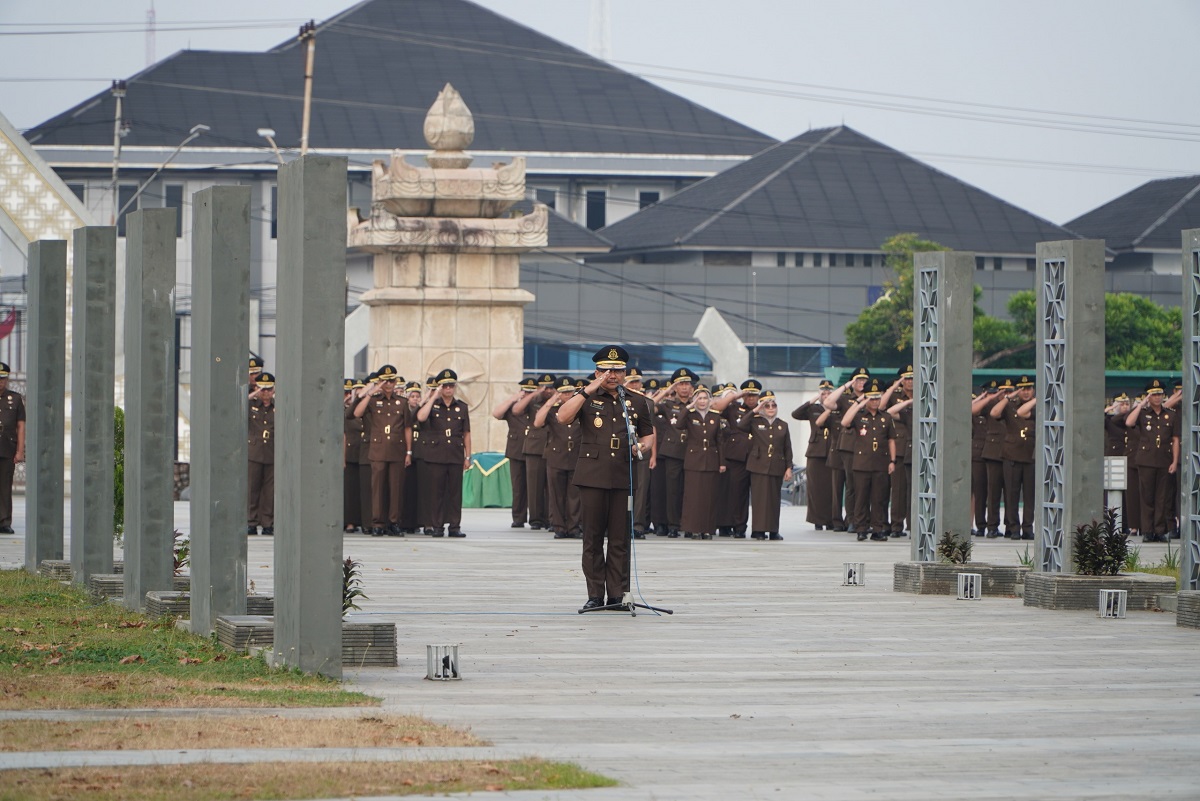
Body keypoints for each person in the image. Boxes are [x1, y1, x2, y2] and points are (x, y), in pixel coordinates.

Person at [557, 346, 654, 611]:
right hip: (592, 476)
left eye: (618, 370)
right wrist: (587, 389)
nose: (612, 375)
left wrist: (641, 447)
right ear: (596, 372)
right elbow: (563, 417)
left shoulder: (635, 400)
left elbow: (648, 434)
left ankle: (617, 595)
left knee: (621, 539)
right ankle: (595, 595)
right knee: (593, 538)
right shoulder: (586, 397)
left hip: (623, 475)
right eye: (607, 370)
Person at [353, 365, 412, 537]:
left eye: (392, 380)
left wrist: (409, 452)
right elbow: (357, 412)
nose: (389, 384)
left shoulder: (402, 402)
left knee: (396, 487)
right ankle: (377, 523)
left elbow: (407, 428)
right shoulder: (372, 400)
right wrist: (372, 391)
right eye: (385, 381)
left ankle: (394, 522)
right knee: (377, 487)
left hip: (397, 449)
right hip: (378, 449)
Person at [417, 368, 472, 537]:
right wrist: (434, 395)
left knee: (455, 494)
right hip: (436, 455)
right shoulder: (433, 405)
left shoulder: (461, 407)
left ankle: (454, 526)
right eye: (445, 386)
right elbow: (420, 417)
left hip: (455, 455)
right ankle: (437, 526)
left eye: (451, 386)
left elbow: (466, 433)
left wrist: (468, 456)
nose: (448, 389)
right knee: (437, 493)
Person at [841, 377, 896, 542]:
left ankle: (878, 529)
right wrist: (859, 403)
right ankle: (861, 528)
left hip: (880, 463)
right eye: (872, 398)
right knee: (861, 498)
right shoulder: (859, 416)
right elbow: (845, 422)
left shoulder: (886, 417)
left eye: (877, 398)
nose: (875, 401)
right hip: (862, 464)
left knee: (879, 498)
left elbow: (891, 440)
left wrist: (892, 461)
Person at [1125, 379, 1180, 542]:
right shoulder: (1142, 414)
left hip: (1164, 459)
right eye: (1154, 394)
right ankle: (1147, 531)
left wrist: (1174, 461)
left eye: (1160, 394)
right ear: (1149, 396)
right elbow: (1129, 422)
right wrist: (1141, 404)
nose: (1157, 397)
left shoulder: (1171, 414)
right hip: (1146, 460)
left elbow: (1175, 439)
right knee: (1147, 497)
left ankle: (1160, 530)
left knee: (1162, 497)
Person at [738, 389, 793, 540]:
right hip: (758, 464)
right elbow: (741, 426)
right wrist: (755, 409)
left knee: (774, 500)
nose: (770, 408)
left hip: (776, 465)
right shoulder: (755, 421)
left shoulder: (783, 425)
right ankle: (758, 530)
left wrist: (789, 467)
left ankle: (773, 530)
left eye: (773, 405)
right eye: (767, 405)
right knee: (759, 500)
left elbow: (787, 447)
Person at [674, 384, 725, 539]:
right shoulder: (690, 415)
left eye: (705, 398)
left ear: (709, 400)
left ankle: (707, 529)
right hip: (694, 459)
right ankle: (693, 528)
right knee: (693, 496)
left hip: (711, 459)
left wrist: (722, 462)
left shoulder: (715, 416)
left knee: (709, 496)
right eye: (699, 398)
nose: (702, 401)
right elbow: (679, 424)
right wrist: (689, 406)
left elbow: (720, 441)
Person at [712, 379, 761, 538]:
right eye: (747, 395)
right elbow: (716, 407)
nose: (750, 398)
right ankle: (735, 526)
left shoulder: (764, 409)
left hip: (757, 456)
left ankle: (753, 527)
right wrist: (735, 396)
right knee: (735, 493)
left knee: (757, 495)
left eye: (753, 395)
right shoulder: (734, 408)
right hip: (736, 457)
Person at [990, 375, 1036, 540]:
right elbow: (994, 413)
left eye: (1028, 388)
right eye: (1022, 389)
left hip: (1030, 455)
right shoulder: (1009, 405)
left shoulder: (1037, 406)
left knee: (1030, 495)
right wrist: (1008, 396)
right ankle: (1014, 528)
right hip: (1011, 454)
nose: (1025, 392)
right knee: (1011, 493)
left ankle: (1028, 528)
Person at [824, 367, 870, 533]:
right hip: (849, 446)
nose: (861, 383)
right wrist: (846, 386)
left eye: (864, 380)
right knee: (851, 485)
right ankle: (852, 520)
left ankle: (864, 519)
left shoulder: (871, 397)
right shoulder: (845, 398)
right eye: (858, 380)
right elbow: (828, 403)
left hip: (867, 445)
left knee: (865, 485)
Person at [536, 376, 583, 539]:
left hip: (577, 456)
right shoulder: (552, 410)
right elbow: (537, 423)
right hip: (556, 457)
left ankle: (574, 527)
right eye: (564, 393)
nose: (567, 396)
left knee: (575, 495)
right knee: (556, 495)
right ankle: (559, 527)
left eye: (570, 392)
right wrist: (551, 402)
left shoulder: (581, 409)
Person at [655, 368, 698, 538]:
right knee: (672, 491)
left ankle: (688, 524)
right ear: (675, 387)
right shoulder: (668, 405)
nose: (684, 388)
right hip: (673, 452)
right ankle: (673, 525)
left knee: (690, 491)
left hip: (692, 452)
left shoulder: (697, 403)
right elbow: (648, 406)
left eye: (687, 384)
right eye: (681, 384)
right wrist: (666, 391)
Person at [492, 377, 538, 528]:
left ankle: (537, 518)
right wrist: (513, 398)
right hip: (516, 451)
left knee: (535, 487)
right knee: (518, 487)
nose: (527, 395)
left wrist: (531, 396)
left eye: (531, 392)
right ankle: (518, 517)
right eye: (525, 391)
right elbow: (496, 413)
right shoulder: (513, 408)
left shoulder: (537, 407)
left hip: (534, 451)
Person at [791, 379, 834, 531]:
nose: (826, 395)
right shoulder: (813, 409)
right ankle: (817, 519)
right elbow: (796, 414)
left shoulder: (836, 408)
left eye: (829, 392)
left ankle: (830, 519)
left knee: (831, 488)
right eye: (823, 393)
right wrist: (812, 400)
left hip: (832, 451)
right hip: (815, 452)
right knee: (815, 488)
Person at [517, 373, 555, 531]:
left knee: (553, 487)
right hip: (535, 447)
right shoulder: (533, 401)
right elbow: (517, 410)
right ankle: (536, 519)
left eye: (551, 386)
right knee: (535, 487)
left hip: (554, 446)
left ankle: (551, 518)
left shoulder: (558, 400)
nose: (547, 390)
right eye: (544, 387)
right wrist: (535, 393)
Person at [623, 368, 657, 539]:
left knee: (641, 490)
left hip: (640, 449)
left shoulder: (647, 402)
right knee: (620, 489)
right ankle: (620, 524)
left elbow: (650, 430)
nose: (634, 384)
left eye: (637, 381)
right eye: (631, 381)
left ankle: (637, 525)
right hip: (619, 451)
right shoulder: (617, 399)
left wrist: (650, 452)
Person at [882, 365, 913, 537]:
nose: (910, 382)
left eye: (913, 378)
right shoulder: (895, 396)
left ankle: (913, 524)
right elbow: (881, 406)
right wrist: (895, 386)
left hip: (918, 446)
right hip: (899, 448)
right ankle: (896, 526)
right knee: (899, 489)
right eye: (906, 378)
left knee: (915, 490)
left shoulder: (923, 393)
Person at [247, 371, 276, 536]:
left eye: (269, 389)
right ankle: (251, 522)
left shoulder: (276, 406)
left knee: (269, 491)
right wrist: (255, 392)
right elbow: (237, 404)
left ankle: (267, 522)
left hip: (271, 452)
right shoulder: (251, 405)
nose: (266, 393)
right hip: (255, 452)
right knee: (252, 489)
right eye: (263, 389)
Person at [0, 362, 26, 534]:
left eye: (3, 378)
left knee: (4, 486)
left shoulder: (15, 399)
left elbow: (21, 426)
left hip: (7, 448)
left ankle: (4, 521)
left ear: (7, 379)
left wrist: (20, 451)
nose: (0, 382)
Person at [399, 380, 424, 534]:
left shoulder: (422, 411)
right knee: (404, 490)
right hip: (404, 455)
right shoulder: (403, 410)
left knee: (417, 491)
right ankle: (404, 521)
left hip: (419, 455)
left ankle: (415, 522)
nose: (415, 399)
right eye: (412, 396)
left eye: (417, 396)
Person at [343, 378, 364, 533]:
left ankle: (363, 520)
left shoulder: (368, 408)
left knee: (364, 489)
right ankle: (350, 521)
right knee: (350, 490)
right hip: (350, 453)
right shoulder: (344, 410)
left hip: (366, 453)